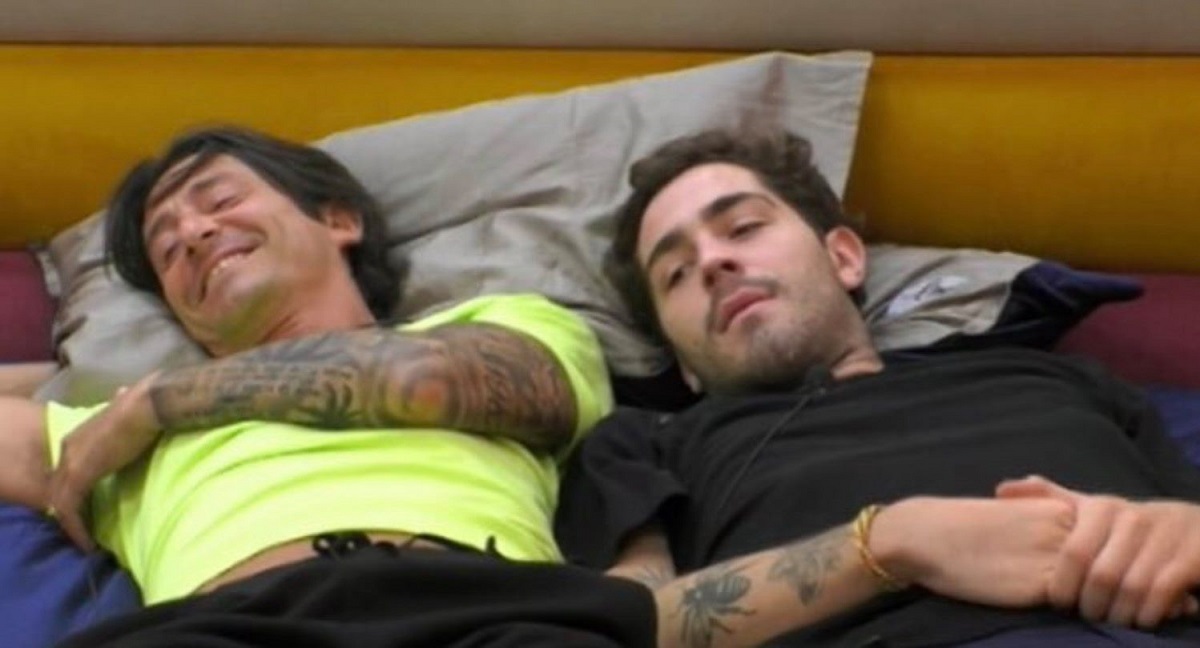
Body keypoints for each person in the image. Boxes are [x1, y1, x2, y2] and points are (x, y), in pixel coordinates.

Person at [0, 126, 663, 647]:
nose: (194, 234)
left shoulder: (501, 323)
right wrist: (57, 379)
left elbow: (425, 381)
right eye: (168, 251)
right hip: (221, 626)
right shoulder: (107, 435)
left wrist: (165, 400)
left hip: (479, 609)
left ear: (340, 220)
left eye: (221, 201)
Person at [556, 127, 1200, 647]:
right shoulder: (649, 441)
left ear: (844, 257)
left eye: (744, 228)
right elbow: (631, 626)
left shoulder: (1057, 376)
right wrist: (889, 544)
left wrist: (1183, 535)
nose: (713, 263)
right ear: (683, 365)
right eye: (675, 272)